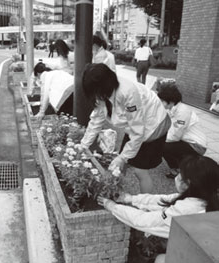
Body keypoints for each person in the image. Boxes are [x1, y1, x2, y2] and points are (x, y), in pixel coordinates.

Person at [97, 155, 219, 262]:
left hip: (200, 256)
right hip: (203, 250)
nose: (176, 177)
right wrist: (131, 199)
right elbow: (164, 200)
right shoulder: (204, 198)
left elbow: (144, 221)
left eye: (179, 174)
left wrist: (112, 206)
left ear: (187, 182)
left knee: (161, 260)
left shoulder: (187, 209)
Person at [80, 63, 171, 193]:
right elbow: (96, 120)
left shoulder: (127, 92)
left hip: (153, 125)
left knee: (140, 170)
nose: (95, 95)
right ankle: (114, 191)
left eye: (95, 91)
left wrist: (122, 158)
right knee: (120, 164)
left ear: (104, 85)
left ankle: (144, 205)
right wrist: (83, 145)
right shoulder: (102, 93)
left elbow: (138, 132)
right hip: (136, 124)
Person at [157, 83, 207, 179]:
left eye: (162, 101)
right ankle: (181, 168)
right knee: (163, 143)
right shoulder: (172, 109)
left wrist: (158, 138)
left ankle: (179, 169)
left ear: (171, 101)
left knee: (163, 145)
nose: (160, 103)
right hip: (186, 141)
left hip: (196, 145)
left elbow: (175, 136)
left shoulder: (183, 111)